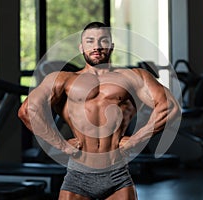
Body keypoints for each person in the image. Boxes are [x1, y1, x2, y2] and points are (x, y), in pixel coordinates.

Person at [18, 22, 180, 200]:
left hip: (117, 175)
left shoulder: (133, 77)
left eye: (103, 40)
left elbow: (170, 107)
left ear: (111, 45)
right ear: (81, 47)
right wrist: (61, 145)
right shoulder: (63, 80)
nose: (96, 46)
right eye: (90, 41)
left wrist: (136, 140)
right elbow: (28, 111)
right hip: (78, 175)